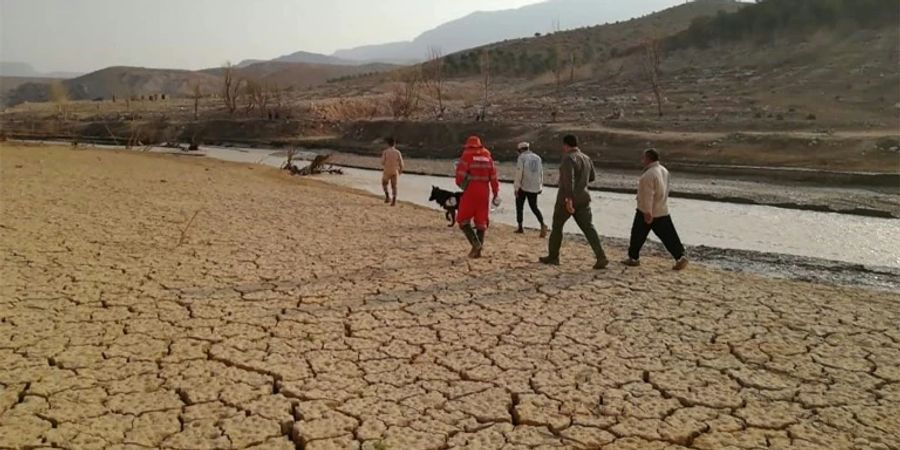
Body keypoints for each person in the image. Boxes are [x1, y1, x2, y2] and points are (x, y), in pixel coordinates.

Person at [539, 135, 608, 269]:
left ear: (566, 145)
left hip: (566, 199)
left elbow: (568, 180)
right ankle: (601, 256)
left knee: (557, 226)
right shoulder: (586, 158)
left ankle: (553, 256)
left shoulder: (568, 159)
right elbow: (592, 177)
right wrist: (581, 184)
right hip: (583, 198)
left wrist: (569, 199)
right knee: (589, 228)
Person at [622, 149, 689, 270]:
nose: (643, 160)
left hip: (647, 211)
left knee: (637, 235)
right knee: (669, 235)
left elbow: (648, 195)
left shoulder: (648, 175)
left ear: (648, 158)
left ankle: (633, 258)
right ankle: (680, 256)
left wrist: (647, 212)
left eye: (644, 158)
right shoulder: (664, 170)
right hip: (662, 209)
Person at [456, 136, 500, 258]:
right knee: (481, 221)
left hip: (471, 191)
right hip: (485, 192)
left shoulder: (467, 156)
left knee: (462, 219)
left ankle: (476, 244)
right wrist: (496, 193)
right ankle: (478, 252)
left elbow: (459, 176)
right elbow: (494, 177)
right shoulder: (487, 157)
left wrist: (461, 184)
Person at [513, 142, 548, 237]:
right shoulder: (538, 158)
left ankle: (520, 227)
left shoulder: (521, 158)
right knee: (534, 207)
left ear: (520, 150)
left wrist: (516, 188)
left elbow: (519, 173)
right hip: (535, 186)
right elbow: (541, 173)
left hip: (523, 186)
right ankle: (542, 224)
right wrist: (540, 186)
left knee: (519, 206)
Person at [381, 137, 404, 206]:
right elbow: (401, 163)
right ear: (394, 144)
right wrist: (400, 170)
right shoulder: (397, 152)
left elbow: (382, 162)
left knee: (384, 183)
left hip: (387, 170)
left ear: (388, 144)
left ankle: (387, 196)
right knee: (394, 186)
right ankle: (394, 200)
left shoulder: (385, 152)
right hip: (395, 170)